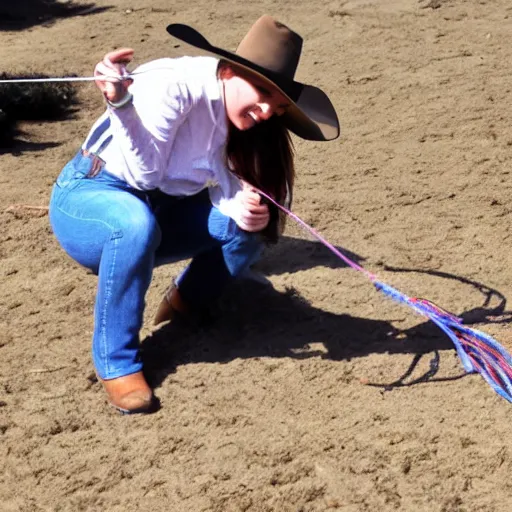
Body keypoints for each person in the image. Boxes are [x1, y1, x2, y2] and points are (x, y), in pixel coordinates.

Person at [49, 15, 340, 414]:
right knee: (133, 224)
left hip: (157, 210)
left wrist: (246, 208)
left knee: (245, 224)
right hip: (91, 198)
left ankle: (186, 299)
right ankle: (115, 362)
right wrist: (120, 104)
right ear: (231, 71)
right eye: (261, 92)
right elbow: (144, 173)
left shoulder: (242, 118)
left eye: (277, 105)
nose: (267, 110)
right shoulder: (173, 85)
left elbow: (231, 185)